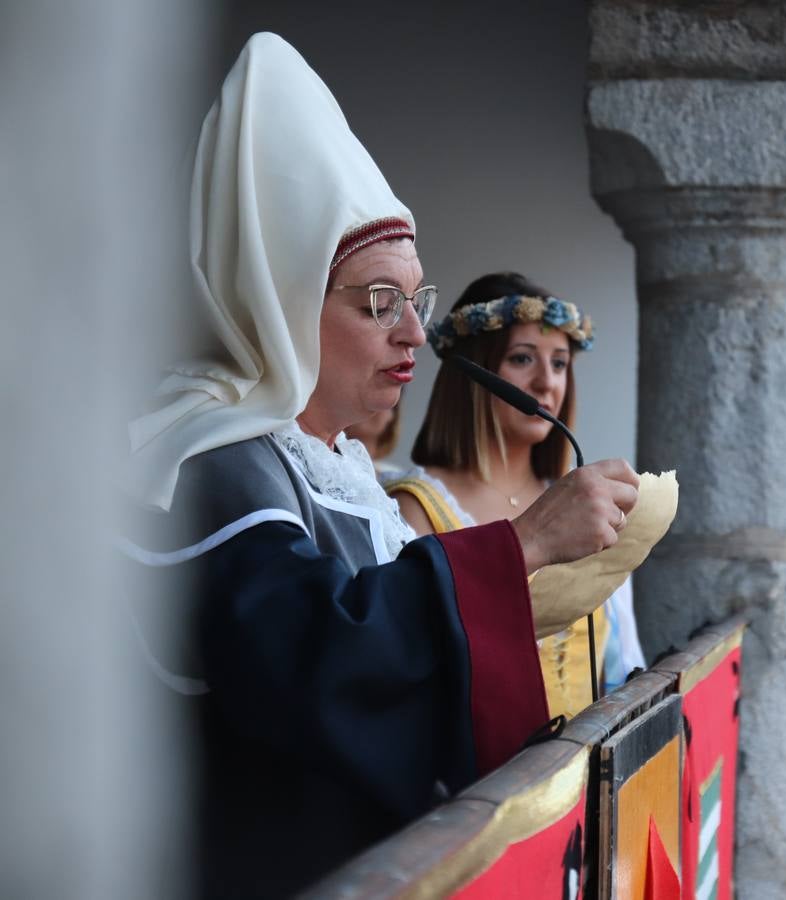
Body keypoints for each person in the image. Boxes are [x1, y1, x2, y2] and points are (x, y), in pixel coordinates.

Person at [122, 34, 638, 898]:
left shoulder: (337, 466)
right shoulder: (208, 460)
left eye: (417, 300)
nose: (413, 335)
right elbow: (315, 655)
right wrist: (519, 549)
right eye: (378, 302)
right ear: (279, 304)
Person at [388, 274, 646, 716]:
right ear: (473, 372)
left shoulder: (584, 505)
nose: (547, 383)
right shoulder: (413, 509)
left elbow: (625, 670)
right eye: (523, 358)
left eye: (561, 363)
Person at [345, 402, 401, 479]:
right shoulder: (325, 462)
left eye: (381, 401)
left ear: (393, 416)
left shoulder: (395, 482)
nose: (369, 406)